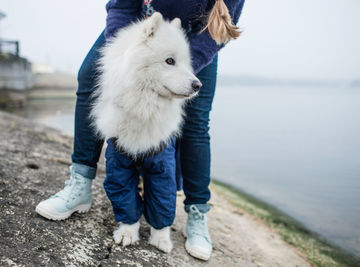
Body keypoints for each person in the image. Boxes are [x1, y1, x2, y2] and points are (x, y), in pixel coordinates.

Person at [35, 0, 244, 261]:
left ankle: (197, 213)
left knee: (196, 122)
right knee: (90, 78)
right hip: (138, 29)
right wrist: (122, 57)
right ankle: (80, 184)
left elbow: (220, 27)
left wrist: (180, 71)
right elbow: (122, 6)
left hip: (199, 38)